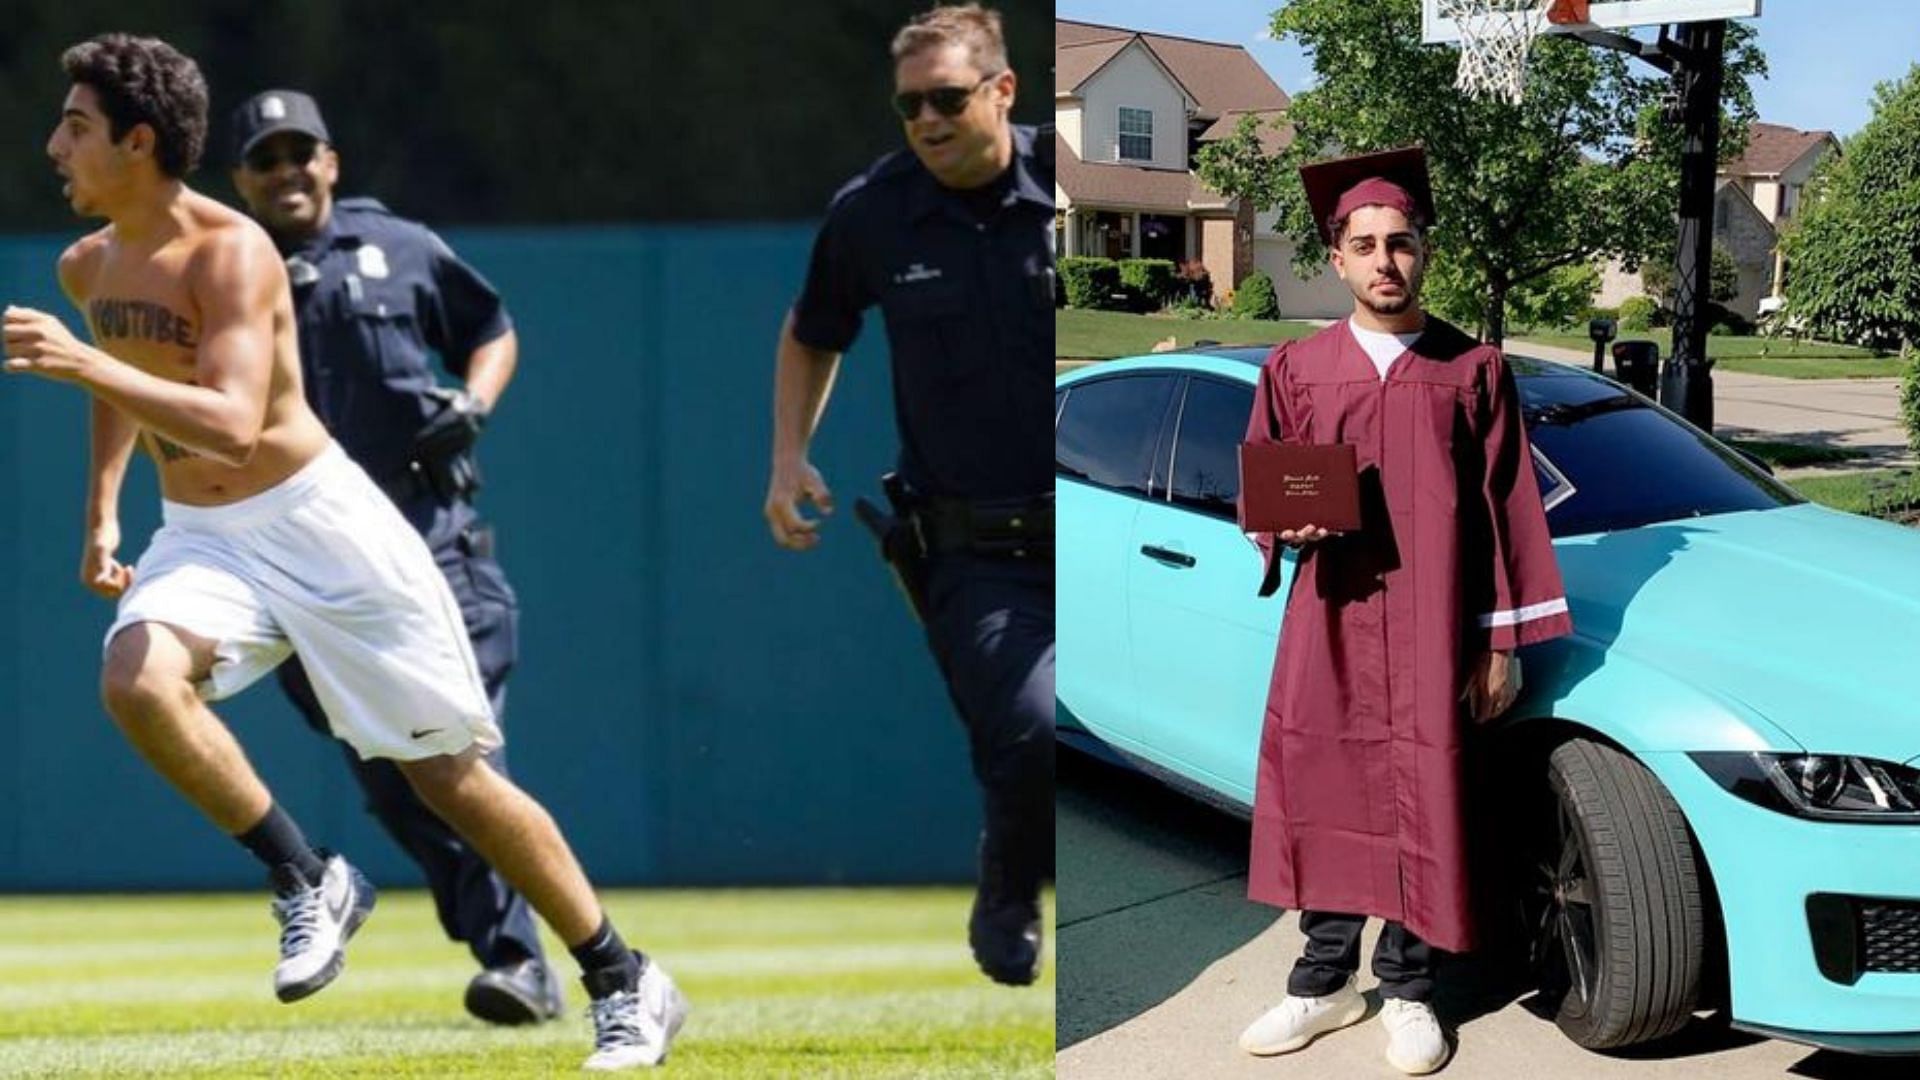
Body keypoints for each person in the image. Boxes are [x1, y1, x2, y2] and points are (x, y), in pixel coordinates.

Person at [6, 34, 684, 1070]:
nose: (55, 143)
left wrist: (81, 361)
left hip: (324, 527)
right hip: (204, 535)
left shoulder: (232, 252)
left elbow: (232, 421)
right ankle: (304, 875)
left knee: (449, 779)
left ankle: (622, 977)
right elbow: (124, 382)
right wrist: (103, 509)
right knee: (136, 681)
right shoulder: (88, 262)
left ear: (138, 142)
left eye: (77, 126)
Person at [1233, 146, 1572, 1076]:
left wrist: (1501, 645)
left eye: (1403, 243)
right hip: (1332, 622)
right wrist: (1279, 531)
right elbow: (1263, 484)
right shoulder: (1297, 370)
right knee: (1327, 793)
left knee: (1428, 801)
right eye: (1367, 244)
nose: (1387, 261)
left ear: (1425, 253)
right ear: (1336, 259)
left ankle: (1412, 992)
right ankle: (1323, 983)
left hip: (1436, 629)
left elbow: (1511, 513)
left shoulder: (1474, 371)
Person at [224, 88, 558, 1027]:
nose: (287, 172)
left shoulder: (402, 246)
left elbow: (490, 329)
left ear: (331, 162)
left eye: (302, 153)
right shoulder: (225, 270)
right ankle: (516, 950)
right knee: (397, 786)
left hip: (436, 550)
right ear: (240, 180)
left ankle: (526, 962)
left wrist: (475, 404)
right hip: (312, 583)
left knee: (453, 765)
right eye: (265, 159)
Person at [761, 3, 1053, 986]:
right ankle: (1011, 885)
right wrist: (788, 456)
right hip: (971, 549)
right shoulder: (872, 213)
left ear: (1003, 91)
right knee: (1031, 731)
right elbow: (814, 332)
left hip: (1093, 529)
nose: (926, 120)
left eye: (947, 98)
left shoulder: (1070, 180)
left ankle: (1019, 862)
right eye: (908, 106)